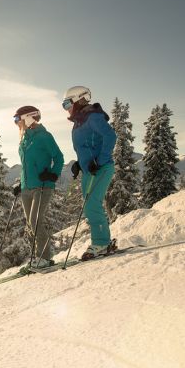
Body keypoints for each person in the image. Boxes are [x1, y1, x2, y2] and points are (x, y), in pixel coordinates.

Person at [62, 86, 117, 260]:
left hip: (101, 167)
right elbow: (87, 145)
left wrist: (100, 160)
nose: (66, 108)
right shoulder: (79, 121)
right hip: (89, 170)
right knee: (89, 205)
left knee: (93, 204)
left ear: (78, 100)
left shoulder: (93, 116)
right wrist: (80, 163)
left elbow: (110, 136)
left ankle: (101, 244)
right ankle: (102, 241)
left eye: (67, 103)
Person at [12, 106, 64, 268]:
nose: (16, 124)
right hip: (27, 188)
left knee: (35, 221)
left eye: (17, 120)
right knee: (31, 223)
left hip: (43, 186)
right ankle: (39, 256)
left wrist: (52, 175)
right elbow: (26, 165)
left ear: (28, 118)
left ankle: (45, 257)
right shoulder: (25, 138)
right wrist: (21, 183)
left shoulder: (44, 137)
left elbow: (59, 157)